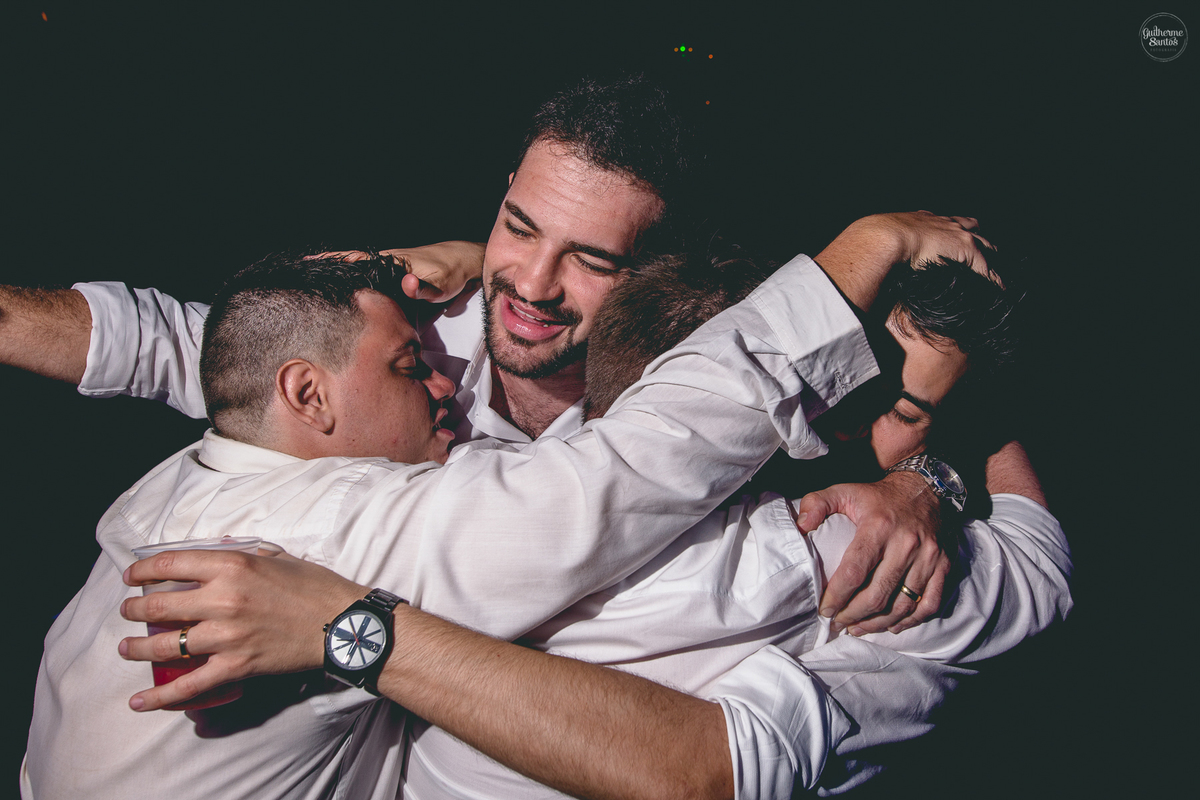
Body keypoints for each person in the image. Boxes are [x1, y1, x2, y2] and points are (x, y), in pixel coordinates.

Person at [0, 76, 996, 633]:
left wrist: (926, 483)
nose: (528, 285)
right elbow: (182, 342)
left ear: (659, 269)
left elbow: (892, 434)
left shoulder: (721, 380)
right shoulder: (404, 335)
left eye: (592, 260)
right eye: (518, 226)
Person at [108, 249, 1070, 799]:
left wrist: (926, 476)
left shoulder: (476, 476)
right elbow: (1040, 571)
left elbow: (200, 352)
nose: (861, 424)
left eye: (903, 407)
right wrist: (947, 455)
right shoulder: (826, 564)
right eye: (856, 388)